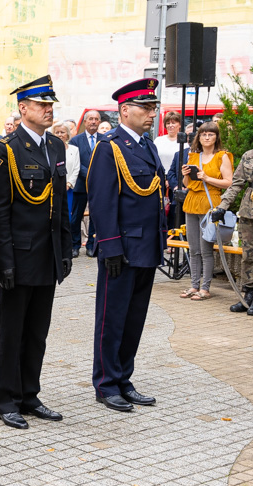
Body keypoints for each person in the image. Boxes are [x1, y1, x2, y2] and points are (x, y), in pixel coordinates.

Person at [0, 75, 72, 429]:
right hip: (18, 256)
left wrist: (65, 250)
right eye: (41, 104)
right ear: (23, 108)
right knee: (12, 331)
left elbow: (59, 205)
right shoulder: (5, 149)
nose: (48, 109)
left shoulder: (55, 146)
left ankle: (29, 394)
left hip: (46, 255)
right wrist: (2, 261)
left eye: (50, 104)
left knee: (37, 330)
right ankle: (6, 398)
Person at [87, 78, 166, 412]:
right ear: (124, 111)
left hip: (146, 246)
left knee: (134, 319)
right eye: (145, 108)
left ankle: (123, 377)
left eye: (153, 108)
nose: (152, 113)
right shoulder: (110, 146)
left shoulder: (146, 145)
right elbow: (102, 200)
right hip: (122, 249)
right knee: (112, 318)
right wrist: (110, 247)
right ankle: (106, 383)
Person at [180, 122, 233, 301]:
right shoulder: (193, 156)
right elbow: (187, 185)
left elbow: (229, 183)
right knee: (193, 248)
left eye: (211, 134)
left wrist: (207, 177)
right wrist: (185, 174)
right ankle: (194, 285)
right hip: (192, 201)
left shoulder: (222, 156)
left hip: (211, 204)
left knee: (206, 249)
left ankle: (205, 288)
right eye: (203, 134)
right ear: (199, 137)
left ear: (216, 137)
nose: (207, 137)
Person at [212, 149, 253, 315]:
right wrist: (222, 207)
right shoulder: (248, 155)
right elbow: (236, 183)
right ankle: (248, 295)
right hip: (249, 212)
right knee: (248, 255)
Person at [68, 110, 104, 258]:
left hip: (99, 185)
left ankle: (91, 245)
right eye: (90, 119)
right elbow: (75, 162)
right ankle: (75, 245)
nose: (93, 122)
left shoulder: (105, 139)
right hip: (80, 185)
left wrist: (97, 175)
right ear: (85, 122)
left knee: (96, 217)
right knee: (76, 217)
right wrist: (90, 174)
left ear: (99, 122)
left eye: (96, 119)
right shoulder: (76, 140)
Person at [52, 122, 81, 218]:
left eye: (62, 132)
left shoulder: (74, 150)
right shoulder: (49, 149)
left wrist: (69, 184)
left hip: (68, 189)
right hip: (53, 188)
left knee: (66, 215)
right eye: (57, 132)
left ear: (67, 134)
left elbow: (76, 168)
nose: (60, 135)